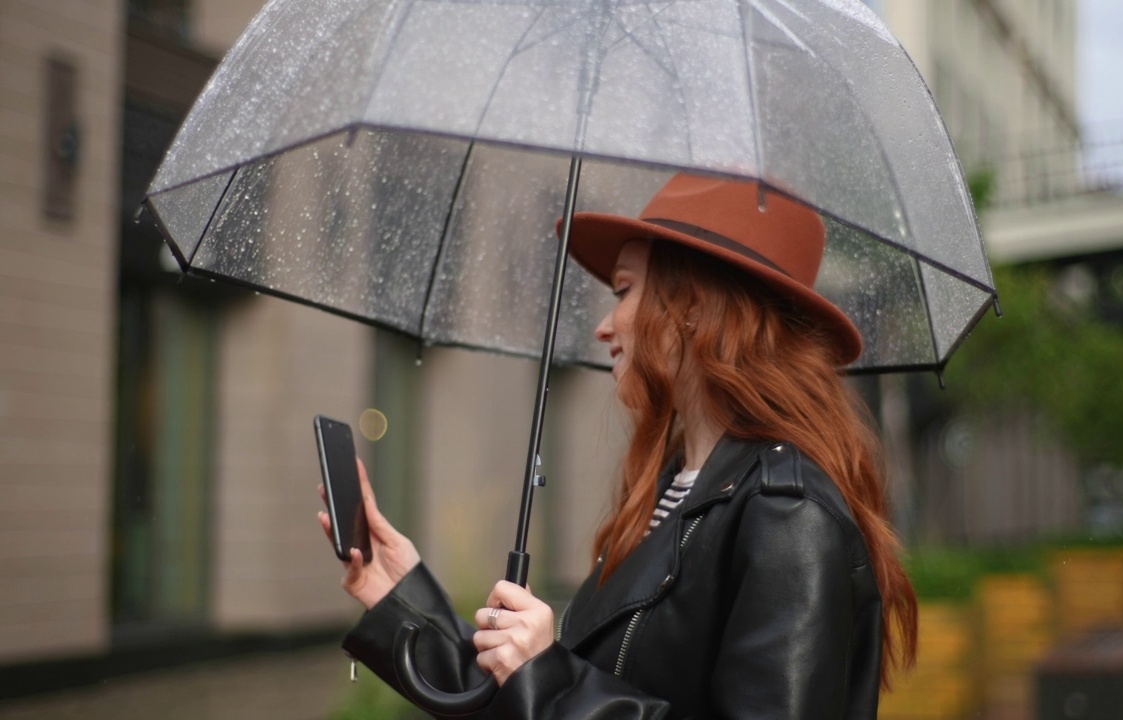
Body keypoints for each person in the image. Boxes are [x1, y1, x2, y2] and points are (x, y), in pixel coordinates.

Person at [319, 173, 918, 718]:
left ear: (693, 308)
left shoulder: (788, 514)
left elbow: (560, 697)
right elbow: (521, 703)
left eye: (625, 290)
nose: (605, 325)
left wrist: (549, 679)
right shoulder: (674, 490)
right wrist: (397, 594)